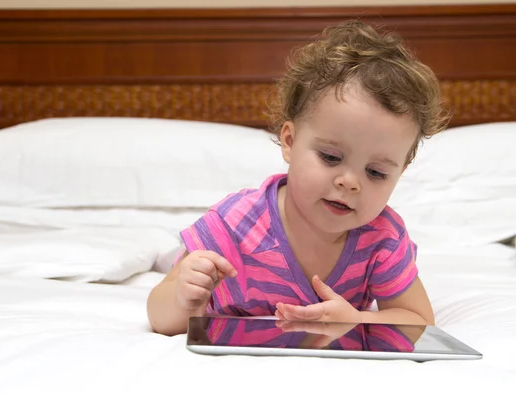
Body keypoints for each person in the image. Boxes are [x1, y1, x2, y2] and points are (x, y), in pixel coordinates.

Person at [147, 20, 450, 337]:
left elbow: (420, 320)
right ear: (290, 142)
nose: (350, 182)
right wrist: (184, 299)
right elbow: (159, 318)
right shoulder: (235, 224)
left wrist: (359, 319)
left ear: (399, 173)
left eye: (376, 172)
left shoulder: (382, 239)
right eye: (331, 157)